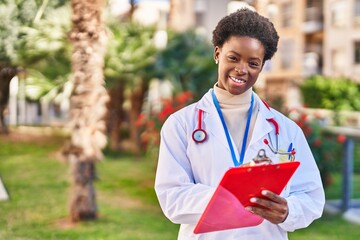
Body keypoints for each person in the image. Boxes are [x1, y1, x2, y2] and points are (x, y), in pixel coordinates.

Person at [154, 8, 325, 240]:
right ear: (217, 53)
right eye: (233, 58)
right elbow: (171, 196)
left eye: (253, 63)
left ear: (262, 66)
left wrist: (288, 211)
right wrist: (230, 197)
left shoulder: (285, 129)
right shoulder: (181, 124)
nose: (241, 70)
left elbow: (311, 197)